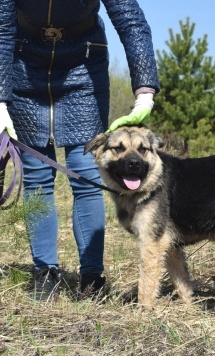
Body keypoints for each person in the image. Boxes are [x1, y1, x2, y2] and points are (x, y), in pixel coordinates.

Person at [0, 0, 160, 300]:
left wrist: (145, 90)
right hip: (24, 67)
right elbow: (2, 27)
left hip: (83, 65)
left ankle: (91, 278)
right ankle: (45, 273)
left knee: (84, 173)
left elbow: (132, 23)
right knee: (36, 176)